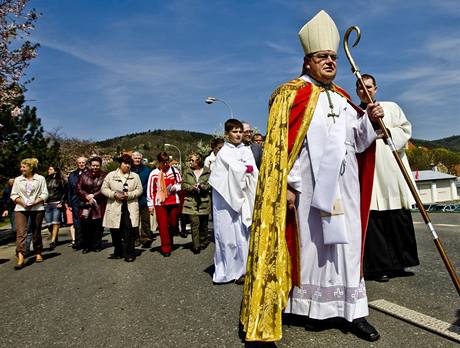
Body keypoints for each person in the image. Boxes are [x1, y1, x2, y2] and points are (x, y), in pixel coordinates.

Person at [240, 10, 384, 343]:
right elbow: (279, 148)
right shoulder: (291, 94)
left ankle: (353, 312)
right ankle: (307, 308)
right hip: (306, 192)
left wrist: (371, 121)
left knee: (346, 250)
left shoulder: (345, 99)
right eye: (323, 57)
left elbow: (358, 143)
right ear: (308, 61)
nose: (330, 62)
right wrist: (286, 187)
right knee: (311, 249)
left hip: (345, 190)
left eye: (334, 57)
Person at [356, 73, 420, 282]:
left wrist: (388, 131)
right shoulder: (355, 113)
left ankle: (400, 262)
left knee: (397, 217)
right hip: (371, 172)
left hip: (392, 170)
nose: (365, 91)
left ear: (376, 88)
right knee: (376, 221)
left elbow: (406, 130)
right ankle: (379, 267)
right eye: (361, 88)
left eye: (369, 87)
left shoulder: (391, 107)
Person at [209, 119, 258, 284]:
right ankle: (228, 271)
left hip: (243, 197)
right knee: (228, 236)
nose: (238, 135)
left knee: (244, 234)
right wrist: (245, 169)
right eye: (234, 132)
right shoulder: (224, 152)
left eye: (239, 131)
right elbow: (227, 174)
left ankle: (245, 270)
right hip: (226, 200)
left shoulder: (246, 150)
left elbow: (253, 169)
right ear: (227, 134)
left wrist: (245, 169)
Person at [102, 154, 142, 262]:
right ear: (120, 164)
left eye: (129, 163)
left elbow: (139, 190)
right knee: (115, 230)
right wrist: (114, 194)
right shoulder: (111, 175)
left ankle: (130, 253)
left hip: (129, 206)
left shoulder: (135, 176)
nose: (127, 166)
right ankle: (118, 251)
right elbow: (104, 189)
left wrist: (129, 195)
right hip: (115, 206)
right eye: (125, 163)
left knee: (129, 230)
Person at [10, 158, 48, 269]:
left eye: (24, 167)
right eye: (21, 167)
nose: (21, 169)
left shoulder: (40, 179)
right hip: (21, 208)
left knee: (36, 231)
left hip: (37, 208)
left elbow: (45, 193)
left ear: (30, 168)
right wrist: (22, 202)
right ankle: (21, 256)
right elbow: (13, 194)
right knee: (21, 232)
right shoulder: (18, 180)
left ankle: (38, 252)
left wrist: (35, 202)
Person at [147, 151, 182, 257]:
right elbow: (150, 190)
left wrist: (175, 187)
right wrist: (150, 205)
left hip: (173, 200)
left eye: (167, 162)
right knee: (162, 226)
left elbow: (180, 184)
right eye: (163, 162)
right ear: (159, 162)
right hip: (160, 203)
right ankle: (165, 247)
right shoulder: (154, 173)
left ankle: (169, 238)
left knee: (173, 223)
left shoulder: (174, 171)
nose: (165, 164)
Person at [181, 153, 211, 254]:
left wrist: (203, 186)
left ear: (199, 161)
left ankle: (203, 241)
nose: (190, 162)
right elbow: (183, 185)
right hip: (191, 201)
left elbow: (211, 184)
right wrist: (191, 187)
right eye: (190, 160)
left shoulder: (208, 171)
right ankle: (196, 245)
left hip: (204, 201)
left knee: (203, 225)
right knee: (195, 224)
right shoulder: (187, 172)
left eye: (192, 160)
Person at [76, 156, 107, 253]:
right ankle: (86, 245)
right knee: (85, 226)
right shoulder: (83, 175)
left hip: (99, 203)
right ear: (90, 165)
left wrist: (94, 196)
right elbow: (78, 188)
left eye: (97, 165)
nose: (95, 167)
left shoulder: (105, 175)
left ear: (100, 165)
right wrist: (86, 196)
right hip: (86, 204)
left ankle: (97, 245)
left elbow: (105, 188)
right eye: (93, 165)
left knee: (98, 226)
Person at [131, 151, 153, 248]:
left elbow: (150, 184)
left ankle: (146, 238)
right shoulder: (128, 169)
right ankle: (135, 238)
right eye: (135, 158)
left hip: (144, 198)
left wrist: (141, 190)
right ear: (132, 158)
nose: (137, 160)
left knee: (145, 220)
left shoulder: (147, 170)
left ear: (141, 159)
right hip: (132, 199)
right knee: (134, 220)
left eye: (139, 158)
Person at [67, 157, 88, 249]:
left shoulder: (90, 173)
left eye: (83, 162)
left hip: (86, 201)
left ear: (86, 163)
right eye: (79, 162)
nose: (81, 164)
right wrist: (69, 203)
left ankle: (88, 241)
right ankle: (78, 242)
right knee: (77, 222)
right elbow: (69, 190)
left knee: (87, 221)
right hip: (75, 201)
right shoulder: (72, 175)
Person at [45, 166, 66, 250]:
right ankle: (55, 237)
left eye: (50, 169)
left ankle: (53, 241)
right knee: (49, 224)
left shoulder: (60, 180)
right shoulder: (46, 180)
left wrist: (61, 202)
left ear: (55, 171)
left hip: (56, 203)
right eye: (48, 169)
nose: (48, 171)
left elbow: (64, 192)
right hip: (46, 204)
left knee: (55, 223)